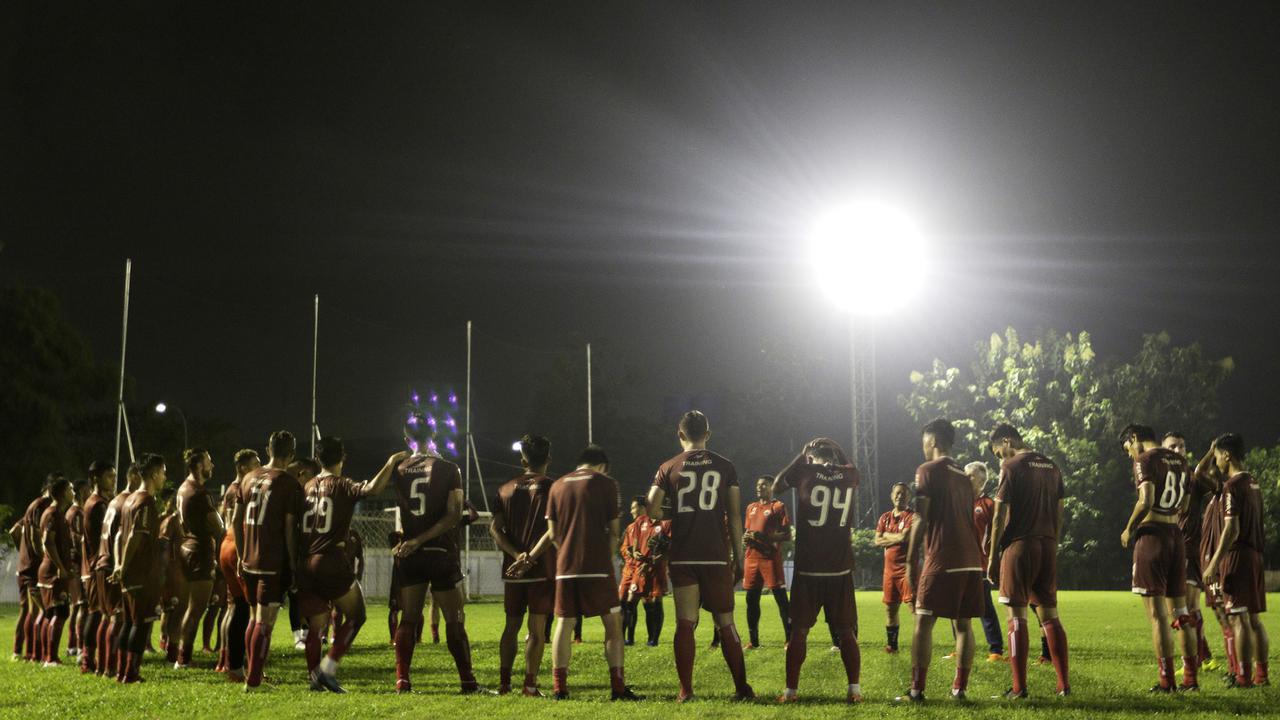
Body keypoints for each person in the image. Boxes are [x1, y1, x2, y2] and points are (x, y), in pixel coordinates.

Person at [646, 410, 751, 702]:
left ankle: (686, 691)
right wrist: (739, 558)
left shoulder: (667, 467)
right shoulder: (725, 466)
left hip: (683, 554)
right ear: (708, 433)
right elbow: (734, 515)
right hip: (716, 554)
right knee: (726, 622)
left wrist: (675, 509)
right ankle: (742, 689)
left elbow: (651, 510)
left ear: (680, 435)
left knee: (685, 623)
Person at [297, 437, 407, 692]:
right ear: (343, 457)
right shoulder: (342, 484)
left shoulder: (308, 486)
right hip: (330, 559)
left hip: (306, 561)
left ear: (317, 459)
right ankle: (327, 669)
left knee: (317, 623)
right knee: (358, 615)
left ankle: (314, 677)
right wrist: (390, 463)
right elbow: (372, 490)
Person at [390, 415, 480, 694]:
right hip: (439, 551)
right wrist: (421, 539)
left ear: (407, 440)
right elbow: (455, 514)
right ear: (434, 435)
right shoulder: (449, 467)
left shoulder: (399, 469)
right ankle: (467, 681)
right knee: (454, 617)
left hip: (411, 554)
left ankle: (402, 680)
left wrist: (413, 541)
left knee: (409, 617)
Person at [546, 444, 641, 701]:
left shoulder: (557, 485)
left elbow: (553, 534)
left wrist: (566, 551)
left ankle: (559, 688)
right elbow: (613, 530)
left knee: (564, 623)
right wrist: (606, 557)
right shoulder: (606, 484)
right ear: (602, 466)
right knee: (613, 625)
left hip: (565, 568)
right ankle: (618, 688)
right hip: (597, 567)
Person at [898, 419, 984, 702]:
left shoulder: (928, 470)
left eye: (924, 441)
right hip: (971, 559)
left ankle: (916, 690)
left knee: (923, 621)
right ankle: (959, 689)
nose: (922, 447)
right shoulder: (963, 474)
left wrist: (911, 559)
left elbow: (921, 517)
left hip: (943, 557)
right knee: (963, 624)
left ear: (932, 441)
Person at [773, 438, 862, 704]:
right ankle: (854, 690)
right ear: (834, 457)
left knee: (799, 631)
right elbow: (851, 465)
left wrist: (801, 455)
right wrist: (837, 446)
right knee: (846, 631)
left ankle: (790, 692)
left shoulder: (806, 471)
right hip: (839, 568)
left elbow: (777, 485)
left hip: (809, 567)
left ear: (811, 458)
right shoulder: (848, 475)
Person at [986, 422, 1070, 698]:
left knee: (1016, 615)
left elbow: (999, 516)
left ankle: (1019, 688)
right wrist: (1053, 541)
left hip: (1020, 546)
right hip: (1047, 545)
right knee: (1050, 616)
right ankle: (1063, 685)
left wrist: (992, 556)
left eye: (999, 453)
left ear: (1007, 441)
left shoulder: (1011, 467)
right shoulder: (1052, 466)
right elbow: (1060, 511)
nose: (1001, 459)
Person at [1119, 423, 1197, 692]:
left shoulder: (1145, 459)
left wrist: (1129, 528)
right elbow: (1185, 504)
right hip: (1176, 535)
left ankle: (1167, 681)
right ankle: (1191, 679)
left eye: (1128, 448)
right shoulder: (1180, 461)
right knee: (1181, 612)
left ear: (1134, 438)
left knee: (1158, 616)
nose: (1130, 454)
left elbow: (1146, 499)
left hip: (1153, 536)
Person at [232, 431, 304, 690]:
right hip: (272, 560)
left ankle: (254, 675)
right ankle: (253, 681)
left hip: (248, 559)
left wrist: (241, 555)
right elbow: (288, 528)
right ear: (291, 455)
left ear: (268, 449)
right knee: (265, 621)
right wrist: (294, 565)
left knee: (254, 618)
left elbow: (235, 521)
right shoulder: (288, 482)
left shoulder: (248, 478)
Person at [489, 434, 557, 696]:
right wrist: (531, 558)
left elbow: (495, 529)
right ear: (548, 459)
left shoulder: (505, 489)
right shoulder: (553, 487)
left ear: (522, 459)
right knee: (536, 629)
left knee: (511, 626)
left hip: (513, 570)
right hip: (540, 569)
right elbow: (553, 531)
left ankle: (504, 684)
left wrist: (517, 555)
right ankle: (529, 685)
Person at [1203, 433, 1270, 688]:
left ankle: (1243, 677)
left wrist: (1213, 563)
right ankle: (1262, 676)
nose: (1217, 460)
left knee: (1238, 618)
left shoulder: (1232, 486)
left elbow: (1231, 528)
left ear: (1227, 455)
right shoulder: (1253, 482)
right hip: (1255, 555)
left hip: (1238, 556)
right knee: (1253, 619)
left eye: (1218, 455)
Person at [1163, 432, 1216, 669]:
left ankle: (1195, 660)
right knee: (1183, 607)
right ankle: (1203, 656)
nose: (1177, 451)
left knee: (1186, 606)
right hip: (1170, 547)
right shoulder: (1161, 477)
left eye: (1181, 447)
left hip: (1188, 547)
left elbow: (1214, 491)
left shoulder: (1193, 479)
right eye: (1172, 447)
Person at [115, 453, 167, 683]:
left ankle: (120, 670)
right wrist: (124, 566)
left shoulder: (128, 499)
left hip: (129, 572)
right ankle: (130, 673)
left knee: (128, 622)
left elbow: (118, 536)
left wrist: (118, 564)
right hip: (141, 572)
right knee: (141, 623)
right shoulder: (145, 501)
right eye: (163, 472)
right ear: (155, 474)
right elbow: (135, 536)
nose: (165, 477)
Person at [172, 448, 222, 669]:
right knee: (196, 609)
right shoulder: (199, 492)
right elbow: (217, 526)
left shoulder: (182, 488)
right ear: (200, 466)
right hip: (199, 550)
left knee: (186, 608)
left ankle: (177, 652)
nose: (212, 465)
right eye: (209, 461)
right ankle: (183, 658)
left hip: (186, 547)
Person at [217, 449, 259, 681]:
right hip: (237, 546)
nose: (259, 468)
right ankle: (245, 667)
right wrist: (245, 555)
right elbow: (237, 520)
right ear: (242, 468)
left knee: (236, 608)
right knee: (250, 610)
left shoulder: (232, 489)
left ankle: (229, 663)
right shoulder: (243, 487)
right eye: (255, 464)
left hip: (228, 544)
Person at [96, 463, 141, 679]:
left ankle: (103, 665)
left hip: (104, 563)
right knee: (117, 617)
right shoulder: (127, 501)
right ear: (133, 476)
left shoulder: (115, 500)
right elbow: (119, 537)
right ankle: (110, 667)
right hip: (112, 565)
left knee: (109, 617)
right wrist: (120, 565)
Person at [742, 475, 792, 649]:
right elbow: (749, 530)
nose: (759, 487)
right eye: (758, 484)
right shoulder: (751, 508)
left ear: (771, 487)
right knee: (751, 599)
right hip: (751, 557)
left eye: (763, 485)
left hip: (770, 558)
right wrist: (746, 538)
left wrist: (765, 536)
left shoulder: (778, 507)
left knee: (781, 599)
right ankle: (753, 641)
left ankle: (789, 639)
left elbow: (787, 535)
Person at [78, 461, 116, 674]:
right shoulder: (98, 505)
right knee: (97, 613)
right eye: (109, 476)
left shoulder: (98, 502)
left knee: (99, 613)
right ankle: (89, 660)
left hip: (94, 565)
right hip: (96, 566)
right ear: (96, 479)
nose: (113, 480)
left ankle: (95, 660)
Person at [966, 462, 1005, 661]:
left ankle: (996, 649)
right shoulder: (958, 502)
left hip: (980, 563)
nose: (966, 478)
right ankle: (960, 645)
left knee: (984, 607)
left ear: (981, 481)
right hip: (959, 563)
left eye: (970, 476)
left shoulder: (988, 505)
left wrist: (993, 559)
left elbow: (998, 532)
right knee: (959, 606)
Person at [37, 476, 77, 666]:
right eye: (71, 489)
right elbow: (47, 542)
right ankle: (50, 658)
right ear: (62, 493)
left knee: (52, 613)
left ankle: (47, 656)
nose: (74, 492)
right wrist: (60, 567)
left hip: (51, 569)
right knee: (60, 613)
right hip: (54, 572)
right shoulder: (53, 514)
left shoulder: (56, 514)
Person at [16, 477, 54, 662]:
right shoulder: (41, 505)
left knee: (28, 610)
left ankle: (21, 652)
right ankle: (33, 654)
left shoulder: (34, 506)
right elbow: (34, 536)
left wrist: (22, 553)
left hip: (26, 565)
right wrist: (39, 558)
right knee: (38, 610)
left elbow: (16, 530)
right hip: (32, 568)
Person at [875, 482, 915, 654]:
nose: (900, 496)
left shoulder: (912, 516)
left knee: (913, 607)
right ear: (892, 496)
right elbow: (877, 540)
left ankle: (920, 644)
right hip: (889, 571)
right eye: (897, 493)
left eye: (904, 494)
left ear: (909, 497)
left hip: (907, 569)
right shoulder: (884, 517)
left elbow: (905, 538)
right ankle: (892, 646)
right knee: (890, 608)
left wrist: (886, 535)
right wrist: (895, 537)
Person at [158, 490, 186, 662]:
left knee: (176, 611)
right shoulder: (171, 521)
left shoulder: (181, 521)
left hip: (179, 572)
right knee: (170, 610)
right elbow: (163, 547)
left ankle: (172, 647)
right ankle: (167, 645)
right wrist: (163, 572)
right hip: (171, 573)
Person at [65, 479, 90, 659]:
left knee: (76, 606)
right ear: (82, 492)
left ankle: (72, 644)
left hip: (73, 563)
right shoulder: (78, 513)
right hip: (77, 564)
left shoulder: (71, 512)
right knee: (82, 606)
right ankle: (81, 646)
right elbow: (79, 540)